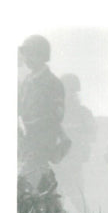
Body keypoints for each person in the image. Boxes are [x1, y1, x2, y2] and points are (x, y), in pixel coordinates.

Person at [18, 34, 69, 191]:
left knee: (23, 184)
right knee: (37, 186)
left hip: (41, 142)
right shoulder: (26, 81)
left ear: (42, 56)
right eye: (25, 54)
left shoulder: (52, 83)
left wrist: (30, 126)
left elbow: (56, 116)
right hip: (25, 142)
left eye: (32, 54)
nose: (27, 58)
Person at [53, 73, 97, 213]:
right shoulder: (54, 112)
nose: (68, 95)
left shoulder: (83, 113)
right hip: (56, 160)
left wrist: (75, 133)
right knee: (55, 198)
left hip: (74, 160)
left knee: (78, 197)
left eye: (71, 91)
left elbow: (92, 134)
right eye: (66, 90)